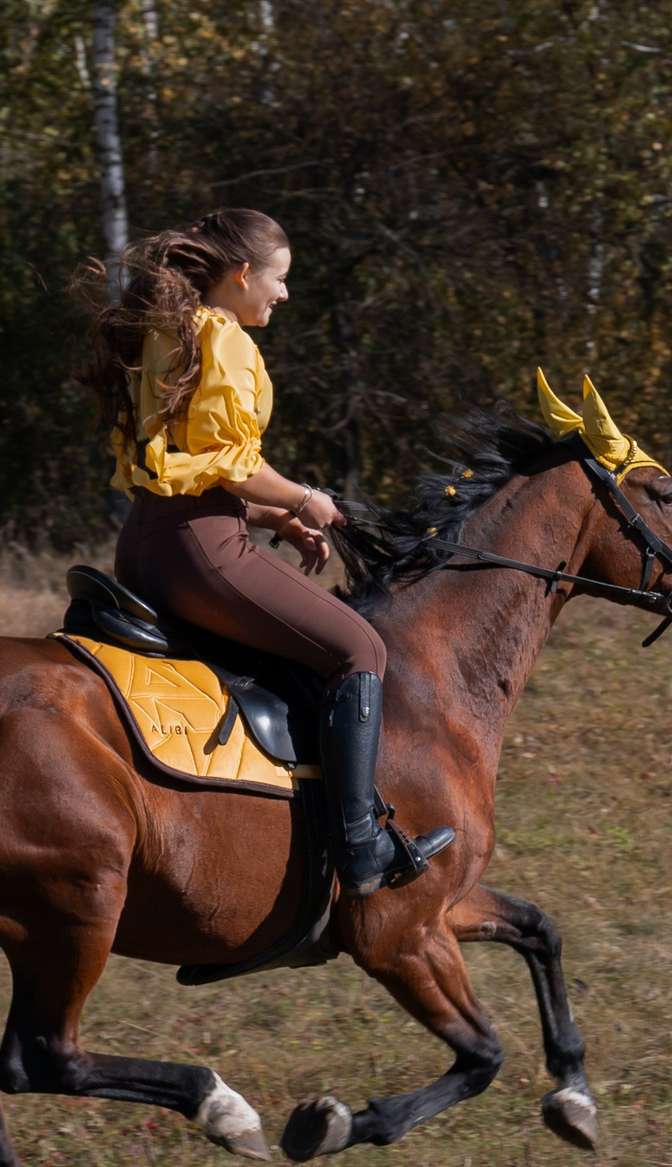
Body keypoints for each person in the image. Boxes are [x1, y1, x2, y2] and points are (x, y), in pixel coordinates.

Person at [77, 208, 455, 896]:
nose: (284, 294)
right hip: (202, 552)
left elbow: (188, 470)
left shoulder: (177, 331)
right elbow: (231, 465)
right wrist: (302, 497)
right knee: (361, 649)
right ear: (244, 274)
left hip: (149, 542)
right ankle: (360, 846)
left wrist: (275, 517)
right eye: (279, 280)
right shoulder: (223, 340)